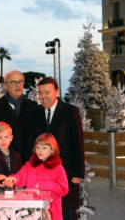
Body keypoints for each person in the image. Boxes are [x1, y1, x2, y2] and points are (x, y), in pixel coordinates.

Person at [26, 77, 85, 220]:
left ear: (56, 92)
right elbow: (30, 144)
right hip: (43, 177)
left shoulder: (70, 111)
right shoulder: (34, 113)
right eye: (40, 93)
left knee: (68, 212)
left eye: (47, 92)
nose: (43, 96)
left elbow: (78, 142)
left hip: (67, 173)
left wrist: (78, 173)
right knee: (48, 213)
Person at [4, 133, 69, 220]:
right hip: (32, 210)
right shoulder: (30, 164)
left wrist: (47, 184)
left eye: (44, 148)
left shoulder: (58, 168)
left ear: (52, 150)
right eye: (38, 147)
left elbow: (64, 189)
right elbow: (21, 177)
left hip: (51, 212)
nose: (40, 151)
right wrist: (14, 179)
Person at [0, 70, 37, 161]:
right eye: (13, 82)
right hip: (4, 161)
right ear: (5, 85)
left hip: (29, 161)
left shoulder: (33, 107)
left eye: (20, 82)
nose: (18, 85)